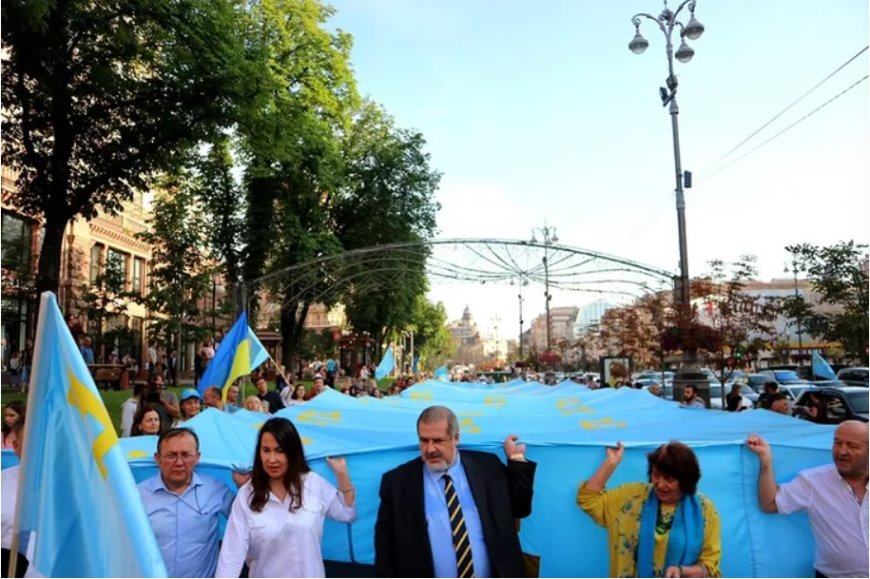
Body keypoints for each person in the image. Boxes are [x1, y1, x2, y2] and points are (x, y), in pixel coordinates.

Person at [375, 405, 536, 578]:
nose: (430, 449)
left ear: (455, 438)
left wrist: (516, 460)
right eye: (424, 440)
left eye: (438, 440)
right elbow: (386, 548)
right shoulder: (397, 483)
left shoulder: (487, 467)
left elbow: (521, 508)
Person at [216, 417, 356, 577]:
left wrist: (342, 474)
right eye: (266, 450)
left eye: (280, 450)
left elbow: (347, 514)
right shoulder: (247, 495)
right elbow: (231, 556)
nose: (272, 459)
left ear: (293, 451)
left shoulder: (313, 484)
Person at [578, 441, 721, 578]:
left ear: (686, 481)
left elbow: (708, 567)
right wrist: (611, 463)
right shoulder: (630, 498)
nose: (660, 484)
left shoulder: (704, 509)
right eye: (656, 474)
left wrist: (681, 571)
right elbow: (588, 500)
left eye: (669, 479)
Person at [746, 421, 869, 578]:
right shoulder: (814, 482)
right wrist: (766, 460)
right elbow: (770, 503)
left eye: (852, 445)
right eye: (837, 443)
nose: (842, 451)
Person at [138, 428, 235, 578]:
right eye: (171, 455)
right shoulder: (138, 495)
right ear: (157, 458)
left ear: (197, 457)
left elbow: (248, 522)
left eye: (185, 455)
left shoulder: (215, 489)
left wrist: (245, 485)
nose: (179, 463)